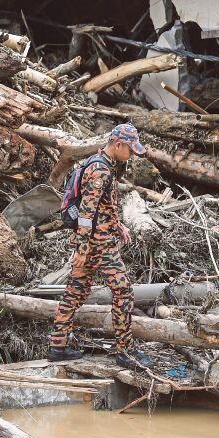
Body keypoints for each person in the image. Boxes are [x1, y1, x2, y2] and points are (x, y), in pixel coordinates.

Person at [47, 123, 152, 368]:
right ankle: (125, 351)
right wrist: (83, 250)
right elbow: (86, 213)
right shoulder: (100, 170)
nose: (132, 155)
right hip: (98, 244)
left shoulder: (100, 164)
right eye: (130, 150)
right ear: (118, 144)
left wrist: (117, 225)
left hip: (98, 238)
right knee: (123, 292)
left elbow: (102, 207)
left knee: (75, 292)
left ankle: (57, 345)